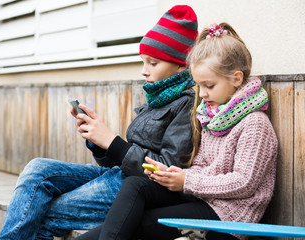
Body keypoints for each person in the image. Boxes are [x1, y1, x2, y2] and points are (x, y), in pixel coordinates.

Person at [0, 5, 199, 240]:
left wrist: (112, 141)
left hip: (132, 188)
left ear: (181, 64)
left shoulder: (187, 106)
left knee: (40, 211)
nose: (144, 71)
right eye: (143, 61)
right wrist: (98, 141)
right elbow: (118, 158)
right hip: (115, 174)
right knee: (37, 169)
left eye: (153, 63)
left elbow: (167, 168)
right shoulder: (157, 98)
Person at [75, 23, 278, 240]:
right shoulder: (214, 117)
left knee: (138, 224)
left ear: (236, 79)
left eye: (209, 86)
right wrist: (172, 174)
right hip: (201, 199)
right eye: (199, 86)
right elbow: (201, 166)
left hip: (228, 218)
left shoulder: (255, 124)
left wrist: (186, 181)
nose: (203, 94)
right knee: (136, 185)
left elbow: (244, 183)